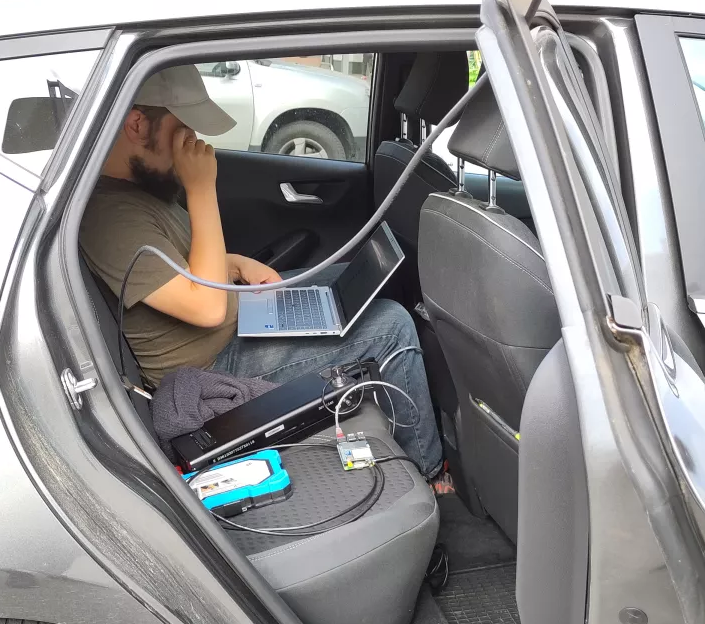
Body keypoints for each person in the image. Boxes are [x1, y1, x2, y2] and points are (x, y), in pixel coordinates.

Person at [80, 64, 444, 481]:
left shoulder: (142, 189)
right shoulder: (112, 218)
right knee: (391, 326)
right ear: (137, 124)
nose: (195, 143)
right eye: (183, 131)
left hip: (235, 324)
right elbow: (207, 308)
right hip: (214, 362)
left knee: (350, 279)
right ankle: (432, 476)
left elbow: (184, 266)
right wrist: (201, 189)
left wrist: (235, 264)